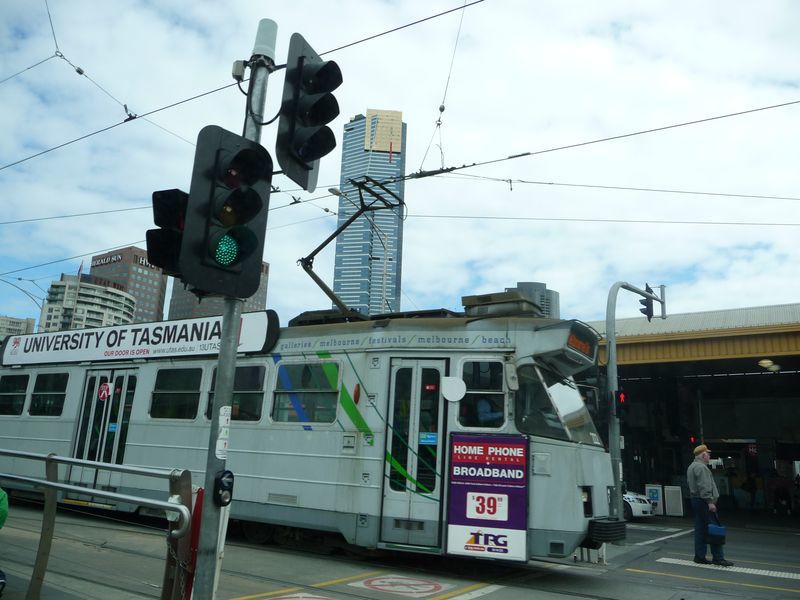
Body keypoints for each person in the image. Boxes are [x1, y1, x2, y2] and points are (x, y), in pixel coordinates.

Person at [686, 444, 733, 567]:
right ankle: (718, 558)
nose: (709, 456)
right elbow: (704, 486)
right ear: (703, 455)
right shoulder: (702, 468)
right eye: (708, 454)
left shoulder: (691, 466)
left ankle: (699, 556)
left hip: (696, 500)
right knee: (714, 528)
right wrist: (710, 502)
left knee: (700, 529)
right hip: (704, 501)